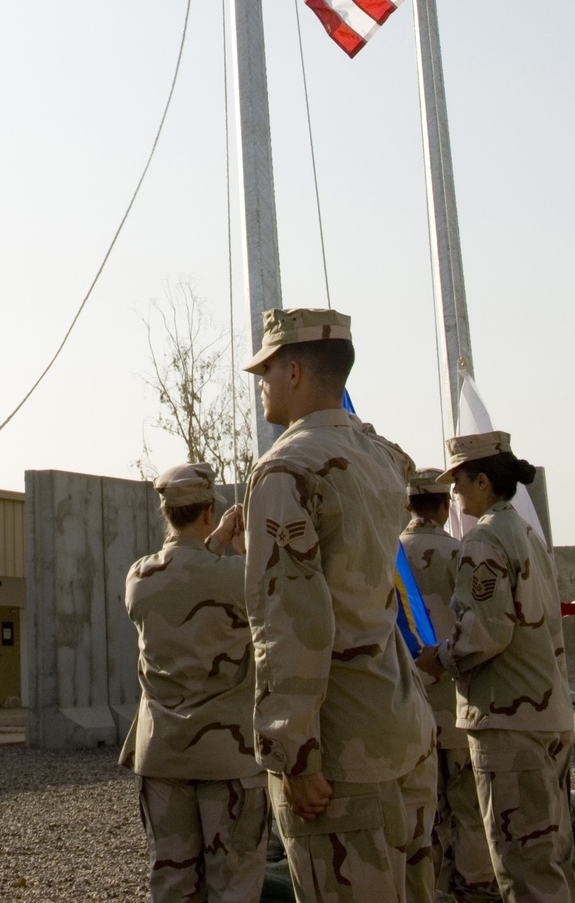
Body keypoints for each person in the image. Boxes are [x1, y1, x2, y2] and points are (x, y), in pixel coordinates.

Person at [242, 308, 437, 903]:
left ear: (295, 372)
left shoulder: (285, 469)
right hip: (401, 729)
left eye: (268, 370)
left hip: (339, 754)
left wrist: (294, 752)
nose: (261, 382)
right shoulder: (378, 458)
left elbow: (291, 624)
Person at [416, 433, 575, 903]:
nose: (455, 494)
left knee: (521, 868)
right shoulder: (526, 533)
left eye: (460, 483)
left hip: (508, 723)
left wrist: (438, 656)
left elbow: (484, 633)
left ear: (482, 481)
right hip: (546, 718)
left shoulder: (484, 539)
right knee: (551, 861)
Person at [121, 461, 270, 903]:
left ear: (167, 513)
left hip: (163, 753)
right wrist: (240, 547)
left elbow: (187, 571)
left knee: (171, 881)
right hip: (229, 756)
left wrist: (216, 539)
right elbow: (260, 597)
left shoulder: (139, 578)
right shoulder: (236, 577)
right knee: (235, 883)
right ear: (208, 511)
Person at [400, 468, 500, 902]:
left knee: (422, 816)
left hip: (406, 709)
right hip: (456, 706)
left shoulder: (391, 556)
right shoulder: (461, 553)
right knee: (470, 812)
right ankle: (475, 891)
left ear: (409, 506)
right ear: (443, 505)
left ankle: (433, 891)